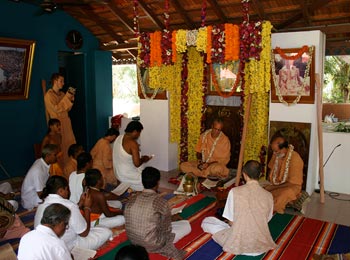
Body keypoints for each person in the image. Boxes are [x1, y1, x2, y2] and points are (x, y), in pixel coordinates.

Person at [201, 160, 276, 256]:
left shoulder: (235, 191)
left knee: (207, 221)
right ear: (260, 174)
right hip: (260, 244)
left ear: (244, 174)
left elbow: (231, 222)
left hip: (238, 243)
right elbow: (267, 219)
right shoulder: (268, 195)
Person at [124, 167, 191, 260]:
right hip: (153, 244)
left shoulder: (131, 201)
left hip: (133, 241)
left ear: (142, 181)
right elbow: (166, 229)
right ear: (158, 182)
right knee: (186, 225)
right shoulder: (160, 202)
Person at [34, 175, 112, 251]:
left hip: (47, 246)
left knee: (93, 227)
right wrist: (87, 208)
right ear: (61, 190)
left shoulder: (41, 205)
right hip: (69, 246)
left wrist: (79, 204)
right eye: (67, 189)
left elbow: (69, 213)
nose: (68, 192)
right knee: (106, 231)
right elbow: (84, 233)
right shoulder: (69, 205)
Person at [264, 135, 304, 214]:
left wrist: (274, 187)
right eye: (273, 151)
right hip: (276, 185)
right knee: (262, 190)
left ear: (284, 148)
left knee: (283, 194)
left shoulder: (295, 158)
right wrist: (271, 185)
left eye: (276, 151)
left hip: (292, 187)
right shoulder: (277, 154)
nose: (274, 153)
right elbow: (271, 169)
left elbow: (293, 183)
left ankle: (273, 213)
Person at [44, 73, 76, 167]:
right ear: (55, 81)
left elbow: (67, 108)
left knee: (69, 144)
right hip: (57, 125)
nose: (63, 83)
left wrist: (70, 98)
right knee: (60, 146)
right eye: (61, 81)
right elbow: (57, 109)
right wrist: (67, 98)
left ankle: (70, 167)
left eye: (63, 81)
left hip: (66, 122)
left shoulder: (62, 94)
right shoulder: (48, 95)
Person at [113, 121, 152, 191]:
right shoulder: (132, 143)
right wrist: (144, 159)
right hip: (127, 175)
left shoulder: (118, 137)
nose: (139, 135)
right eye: (139, 133)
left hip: (117, 173)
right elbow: (137, 164)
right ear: (135, 131)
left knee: (142, 171)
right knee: (149, 181)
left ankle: (129, 190)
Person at [21, 144, 59, 210]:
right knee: (57, 201)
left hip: (37, 193)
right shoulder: (38, 171)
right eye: (55, 155)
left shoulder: (41, 162)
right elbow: (40, 194)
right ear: (48, 156)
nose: (57, 157)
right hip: (31, 199)